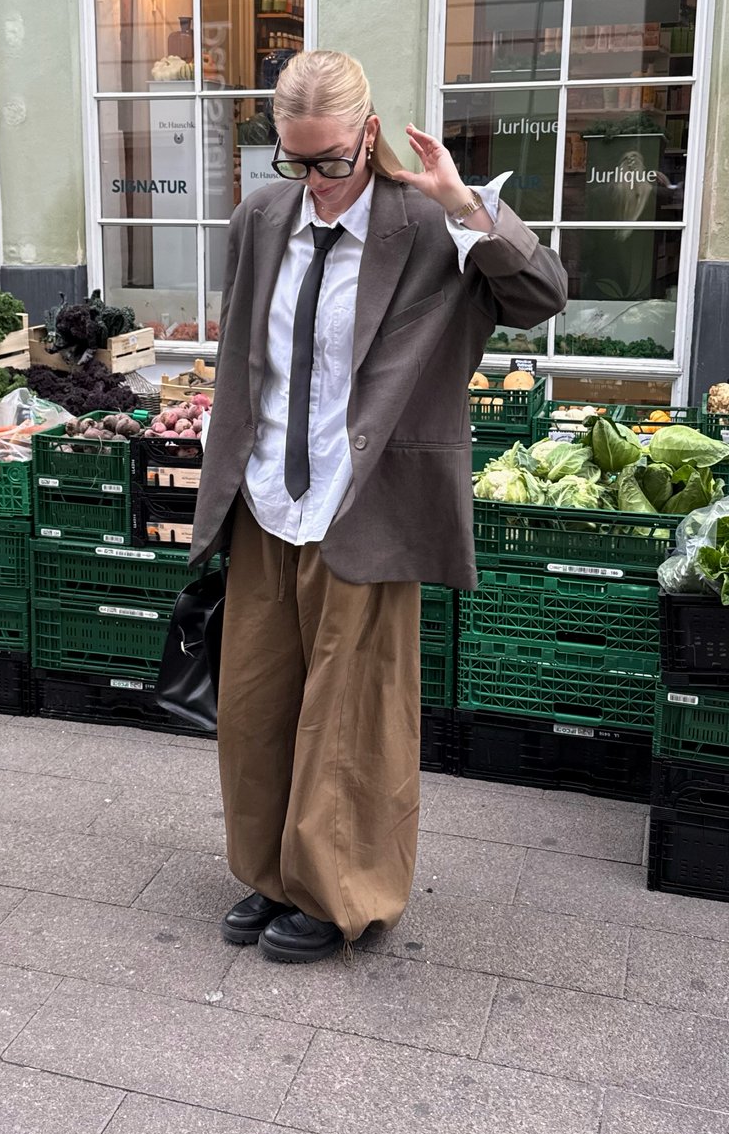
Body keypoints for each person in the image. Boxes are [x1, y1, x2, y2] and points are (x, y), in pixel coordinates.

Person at [189, 50, 567, 964]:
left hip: (368, 499)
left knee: (350, 715)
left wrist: (467, 206)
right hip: (269, 496)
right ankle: (272, 871)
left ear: (369, 134)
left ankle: (338, 889)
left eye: (330, 160)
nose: (313, 181)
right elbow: (248, 348)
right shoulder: (262, 214)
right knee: (255, 704)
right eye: (294, 159)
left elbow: (542, 294)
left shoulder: (426, 223)